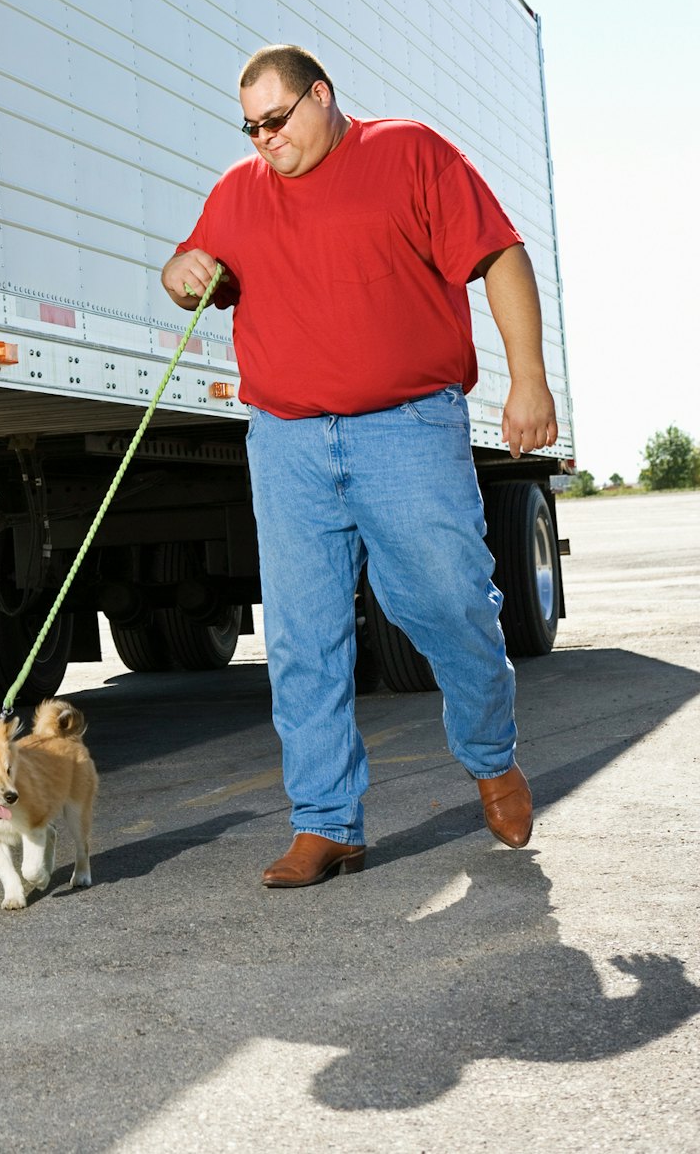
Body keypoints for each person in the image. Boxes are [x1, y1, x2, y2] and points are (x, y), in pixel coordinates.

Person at [161, 44, 558, 887]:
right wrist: (180, 270)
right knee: (305, 635)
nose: (265, 138)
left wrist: (529, 378)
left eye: (278, 118)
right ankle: (326, 822)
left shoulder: (408, 151)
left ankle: (491, 756)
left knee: (448, 601)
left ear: (322, 96)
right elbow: (190, 268)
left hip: (407, 427)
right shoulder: (238, 192)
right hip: (289, 439)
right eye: (251, 125)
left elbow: (499, 255)